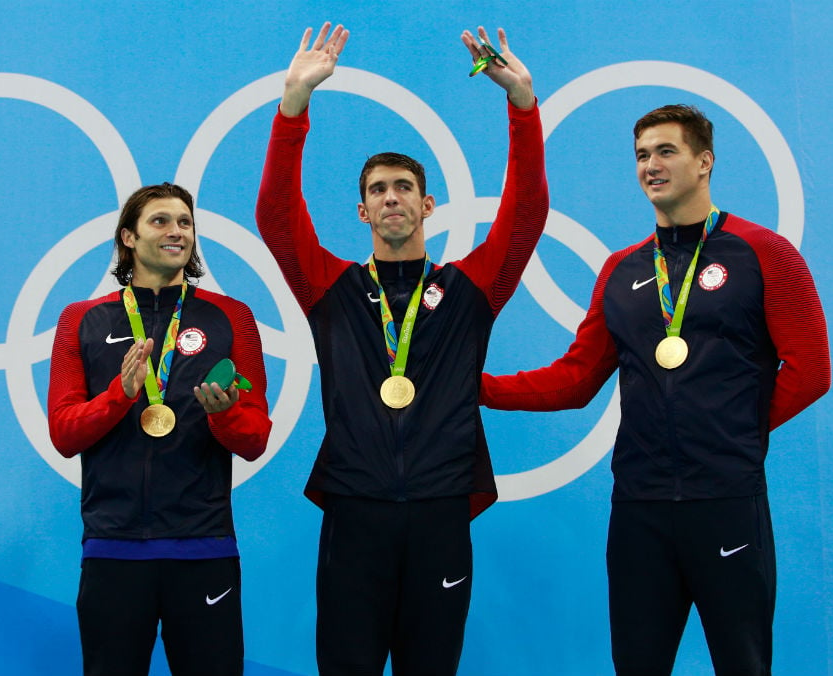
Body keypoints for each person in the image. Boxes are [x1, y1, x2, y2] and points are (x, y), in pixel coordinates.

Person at [481, 104, 831, 675]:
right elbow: (575, 378)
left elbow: (812, 368)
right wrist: (476, 387)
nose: (651, 165)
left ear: (705, 161)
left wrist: (729, 432)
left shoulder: (763, 252)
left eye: (666, 151)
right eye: (642, 155)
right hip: (640, 507)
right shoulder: (622, 270)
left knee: (744, 665)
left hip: (725, 501)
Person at [255, 23, 548, 675]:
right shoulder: (329, 287)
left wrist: (522, 106)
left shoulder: (470, 289)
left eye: (404, 188)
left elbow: (526, 213)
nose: (392, 198)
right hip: (355, 512)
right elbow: (274, 216)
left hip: (441, 512)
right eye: (379, 190)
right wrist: (294, 106)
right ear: (362, 211)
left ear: (428, 205)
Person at [47, 182, 272, 676]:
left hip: (204, 545)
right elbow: (63, 434)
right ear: (128, 237)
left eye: (185, 222)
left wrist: (225, 414)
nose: (177, 231)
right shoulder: (81, 320)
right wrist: (118, 396)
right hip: (113, 548)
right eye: (161, 221)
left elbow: (255, 438)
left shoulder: (231, 316)